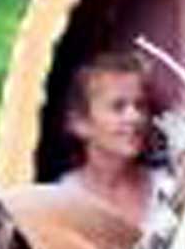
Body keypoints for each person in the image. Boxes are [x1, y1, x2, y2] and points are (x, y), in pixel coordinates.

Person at [56, 49, 160, 228]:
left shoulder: (169, 192)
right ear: (80, 123)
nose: (134, 117)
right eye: (118, 107)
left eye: (140, 105)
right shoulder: (62, 200)